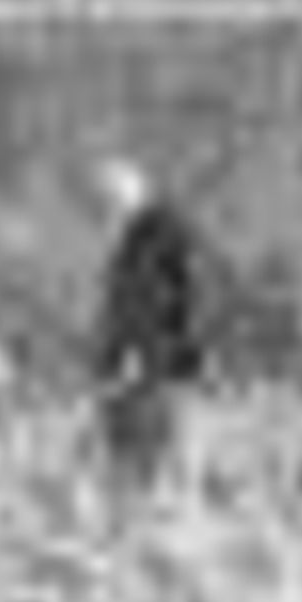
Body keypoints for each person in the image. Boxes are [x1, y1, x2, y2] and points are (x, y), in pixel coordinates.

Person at [88, 157, 204, 493]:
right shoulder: (142, 240)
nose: (108, 214)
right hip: (150, 362)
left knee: (147, 445)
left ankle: (148, 502)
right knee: (140, 444)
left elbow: (145, 303)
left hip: (150, 363)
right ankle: (146, 499)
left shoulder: (152, 239)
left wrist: (132, 355)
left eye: (110, 202)